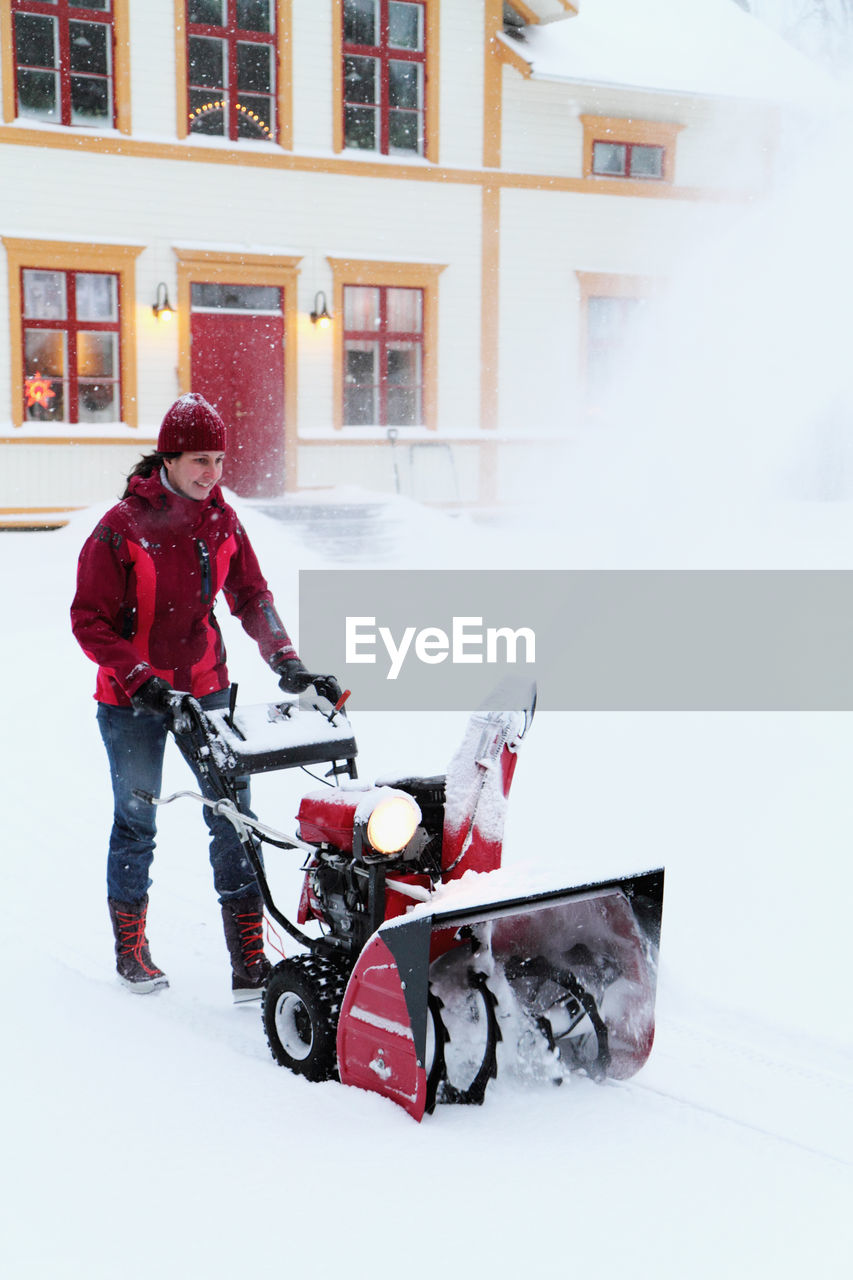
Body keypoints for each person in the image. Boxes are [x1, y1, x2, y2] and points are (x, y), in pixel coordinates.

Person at [71, 392, 341, 1001]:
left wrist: (288, 662)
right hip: (131, 701)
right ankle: (131, 948)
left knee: (232, 818)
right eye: (199, 458)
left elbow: (250, 595)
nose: (210, 473)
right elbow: (89, 619)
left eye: (219, 459)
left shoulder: (221, 519)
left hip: (206, 691)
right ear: (168, 457)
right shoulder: (122, 528)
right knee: (136, 823)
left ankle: (249, 961)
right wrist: (142, 680)